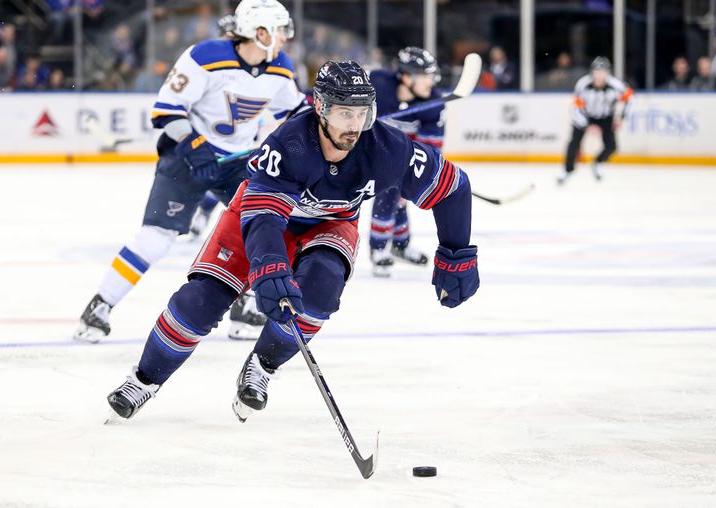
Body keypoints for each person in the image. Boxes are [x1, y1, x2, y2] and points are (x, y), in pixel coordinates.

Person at [104, 60, 480, 423]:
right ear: (320, 108)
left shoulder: (388, 149)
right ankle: (144, 379)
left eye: (362, 112)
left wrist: (456, 253)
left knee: (321, 290)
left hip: (331, 223)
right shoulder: (289, 145)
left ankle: (263, 365)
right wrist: (268, 266)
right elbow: (265, 217)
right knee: (200, 301)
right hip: (258, 217)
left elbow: (453, 187)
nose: (355, 125)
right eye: (344, 113)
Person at [73, 0, 308, 343]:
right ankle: (100, 305)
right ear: (261, 33)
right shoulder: (206, 57)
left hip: (238, 161)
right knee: (156, 238)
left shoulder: (280, 66)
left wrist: (330, 117)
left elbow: (296, 111)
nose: (286, 37)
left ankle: (245, 305)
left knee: (261, 231)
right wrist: (195, 146)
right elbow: (166, 111)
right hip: (187, 157)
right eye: (280, 30)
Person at [366, 46, 441, 277]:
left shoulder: (434, 104)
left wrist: (417, 171)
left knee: (401, 193)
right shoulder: (378, 84)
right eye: (425, 76)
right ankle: (378, 249)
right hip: (366, 153)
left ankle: (400, 244)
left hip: (402, 158)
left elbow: (431, 148)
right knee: (390, 189)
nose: (431, 82)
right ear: (407, 77)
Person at [558, 56, 633, 185]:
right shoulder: (583, 84)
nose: (599, 75)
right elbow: (576, 107)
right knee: (573, 143)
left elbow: (629, 98)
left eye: (603, 71)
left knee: (611, 146)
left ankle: (597, 163)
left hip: (606, 117)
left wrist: (621, 117)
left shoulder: (616, 85)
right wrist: (585, 125)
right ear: (592, 72)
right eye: (597, 71)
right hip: (585, 115)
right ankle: (567, 171)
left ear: (608, 73)